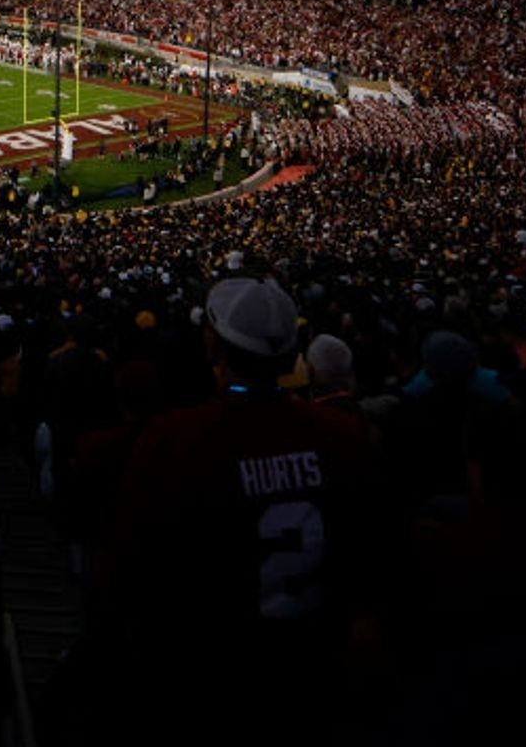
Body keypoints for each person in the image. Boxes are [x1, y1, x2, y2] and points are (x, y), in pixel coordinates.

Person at [112, 278, 384, 740]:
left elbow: (128, 573)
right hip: (314, 682)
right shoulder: (346, 437)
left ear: (212, 343)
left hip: (208, 681)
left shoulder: (175, 440)